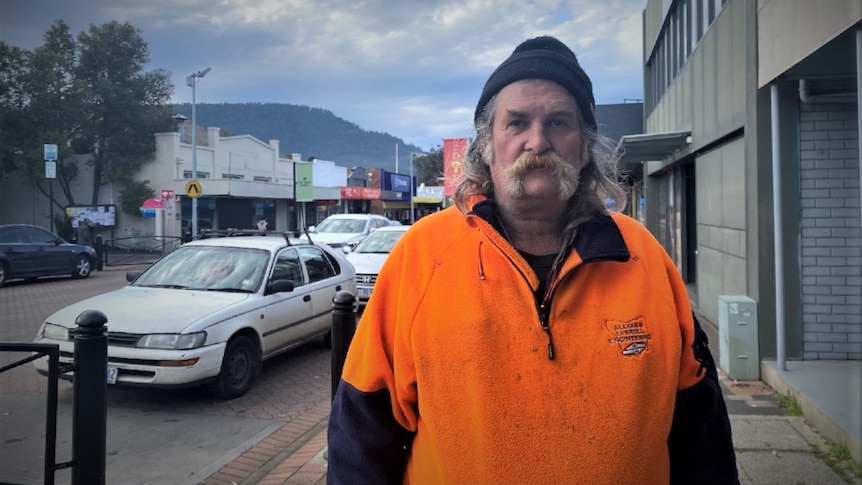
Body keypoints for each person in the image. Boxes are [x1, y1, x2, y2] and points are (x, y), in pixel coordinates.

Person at [327, 36, 738, 484]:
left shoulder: (644, 259)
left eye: (559, 122)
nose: (536, 142)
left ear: (584, 147)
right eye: (516, 123)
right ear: (485, 146)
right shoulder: (422, 257)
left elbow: (702, 437)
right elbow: (361, 438)